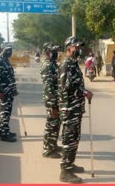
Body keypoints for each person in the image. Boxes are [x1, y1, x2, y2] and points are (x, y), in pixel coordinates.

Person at [58, 36, 93, 183]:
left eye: (79, 48)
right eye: (76, 47)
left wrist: (83, 92)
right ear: (68, 48)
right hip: (69, 108)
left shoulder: (74, 64)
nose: (78, 50)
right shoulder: (66, 64)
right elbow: (67, 88)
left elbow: (76, 85)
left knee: (75, 138)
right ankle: (65, 172)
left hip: (76, 108)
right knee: (69, 139)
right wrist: (84, 93)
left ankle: (70, 165)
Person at [40, 42, 62, 158]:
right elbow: (49, 87)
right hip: (51, 100)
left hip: (56, 99)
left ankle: (53, 144)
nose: (56, 54)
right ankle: (47, 150)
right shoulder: (48, 66)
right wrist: (53, 105)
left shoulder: (53, 64)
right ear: (48, 53)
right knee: (51, 124)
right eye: (54, 52)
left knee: (56, 124)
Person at [0, 44, 18, 142]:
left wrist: (13, 88)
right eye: (7, 50)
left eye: (10, 50)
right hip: (3, 92)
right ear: (2, 50)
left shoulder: (5, 60)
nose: (9, 52)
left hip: (9, 91)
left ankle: (4, 130)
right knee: (4, 113)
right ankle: (4, 135)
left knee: (6, 113)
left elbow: (9, 76)